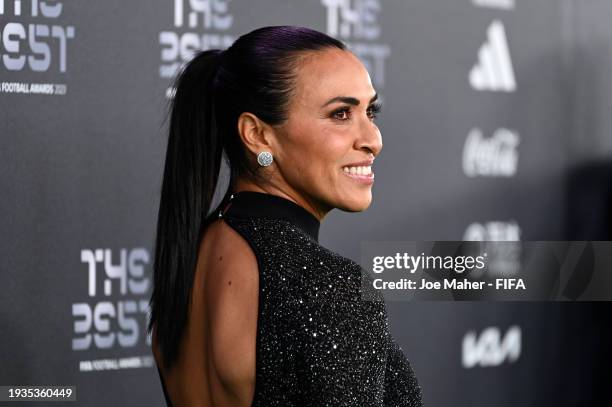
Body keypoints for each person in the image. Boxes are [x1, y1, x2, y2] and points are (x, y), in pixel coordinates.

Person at [148, 25, 423, 406]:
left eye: (369, 111)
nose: (373, 139)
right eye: (341, 113)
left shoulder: (189, 259)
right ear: (257, 135)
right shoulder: (326, 286)